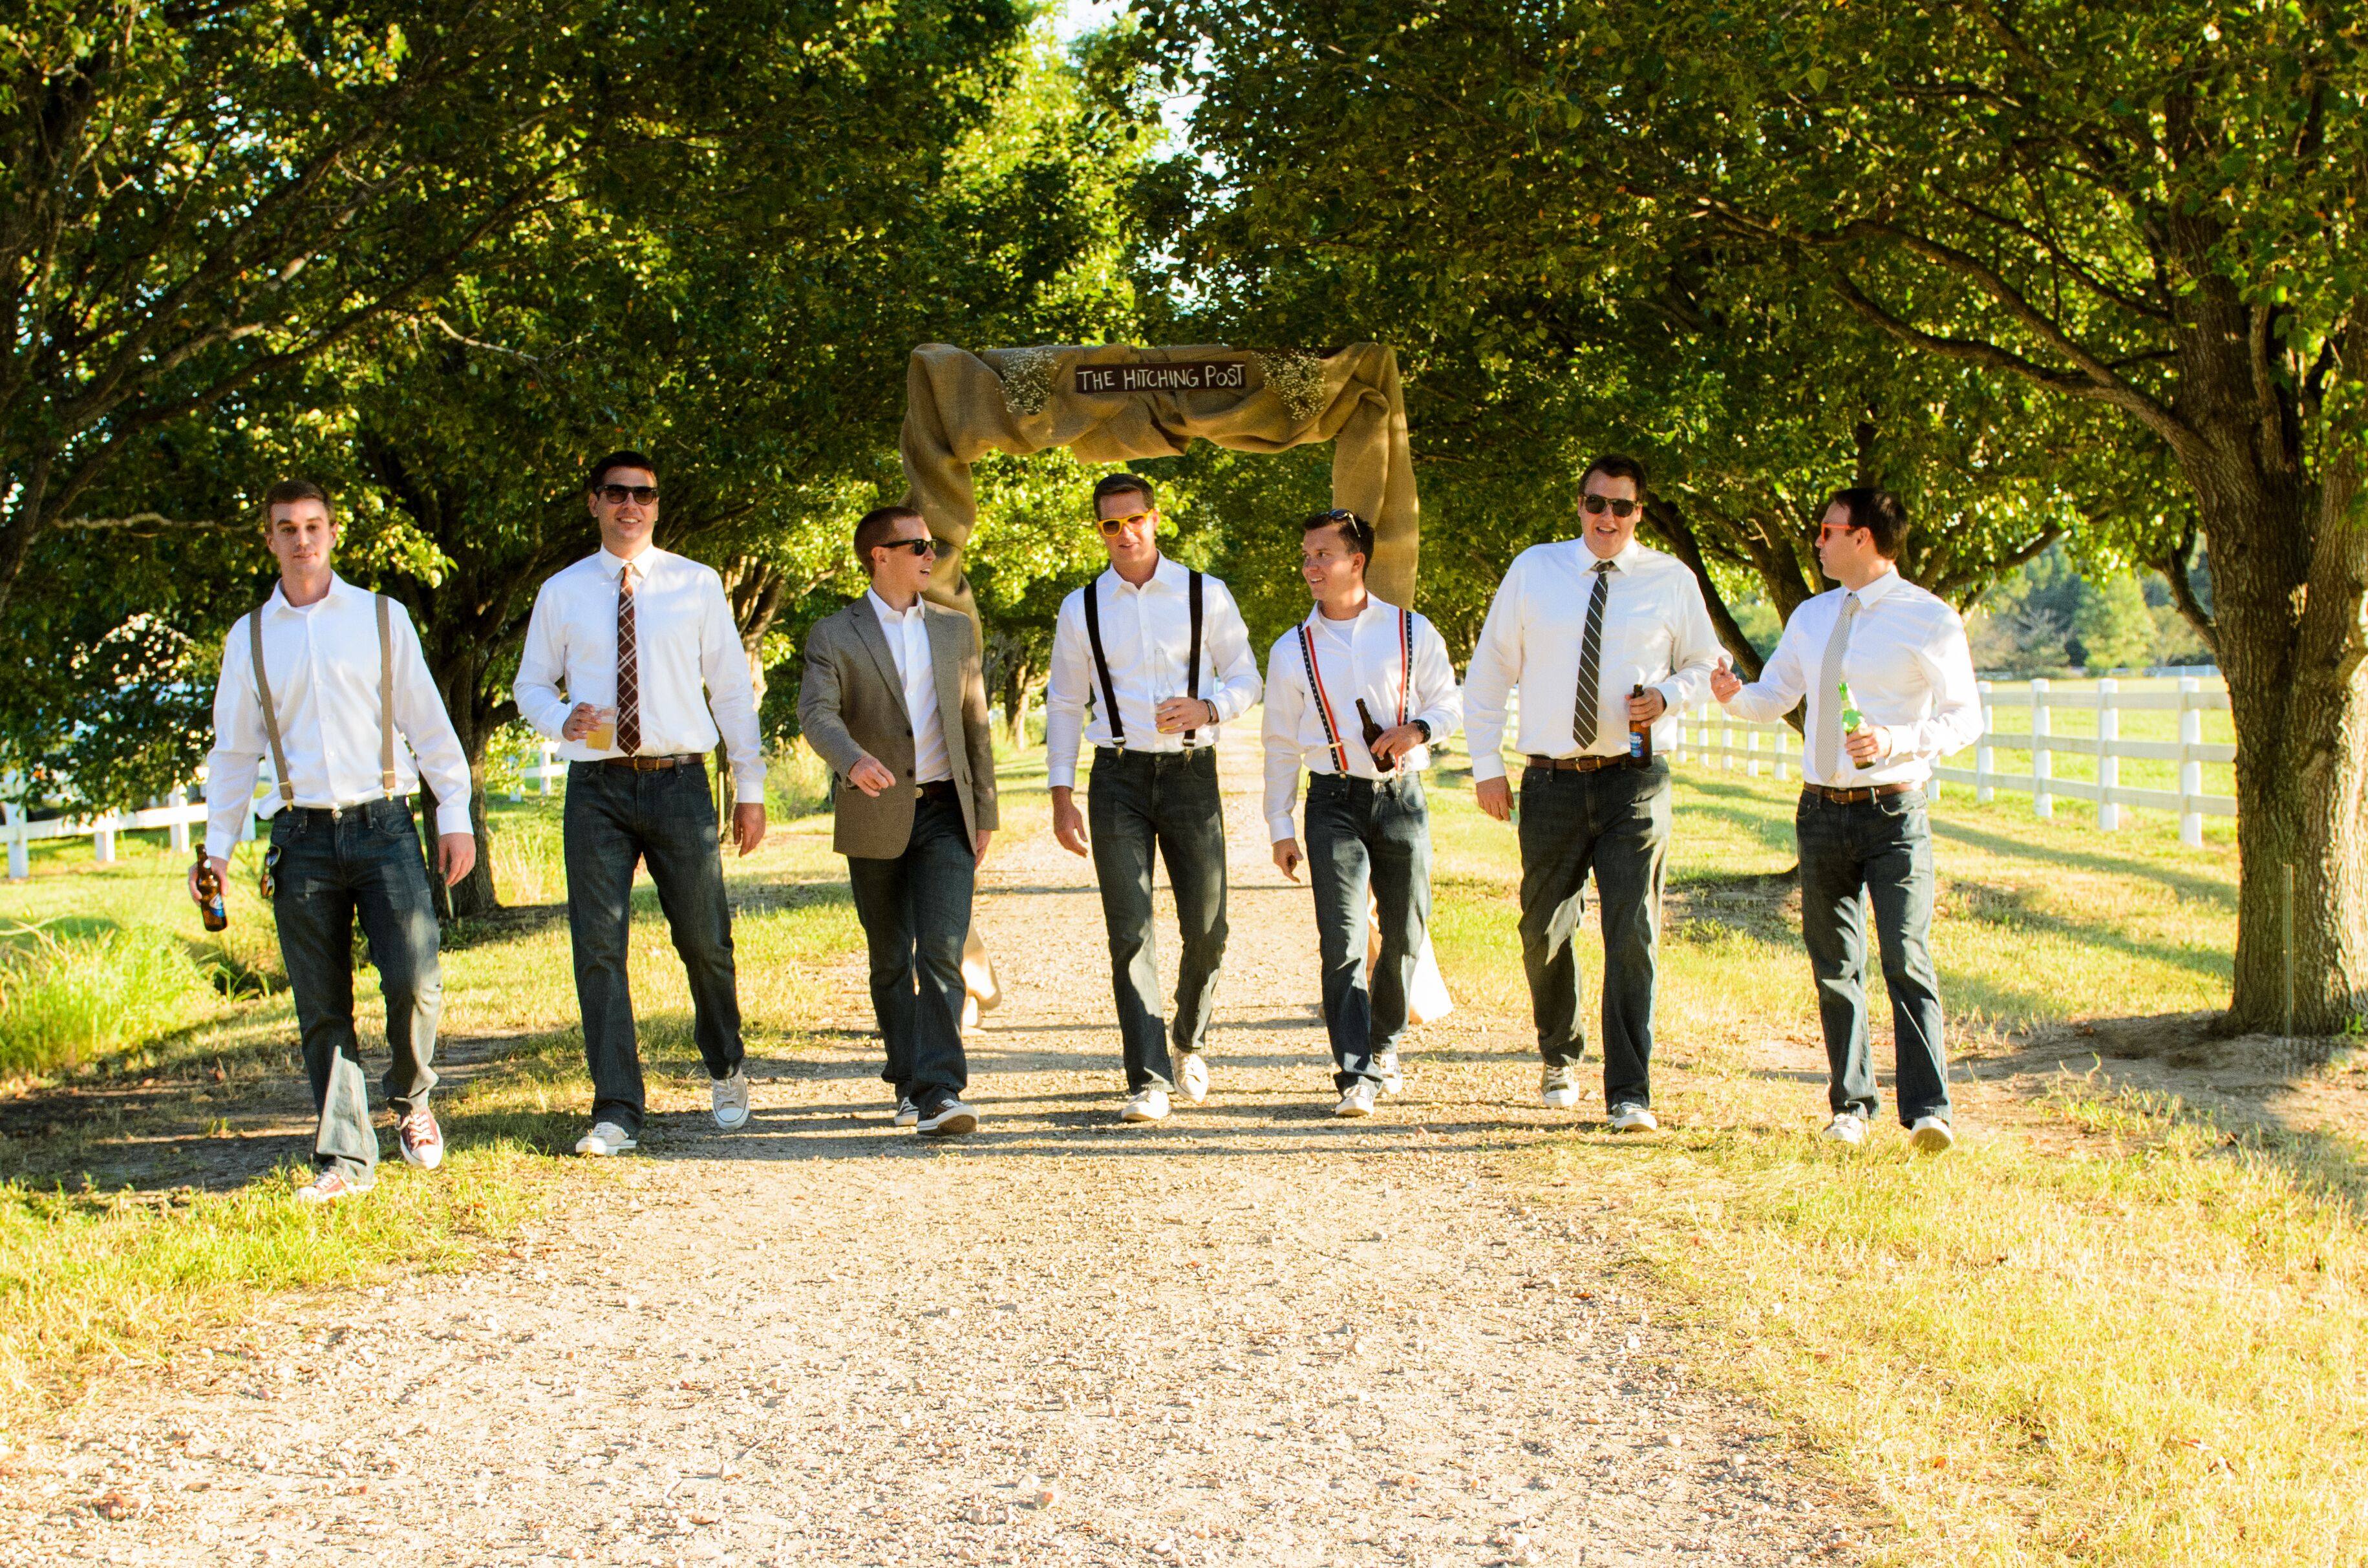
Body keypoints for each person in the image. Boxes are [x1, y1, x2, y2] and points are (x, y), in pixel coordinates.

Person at [192, 480, 477, 1203]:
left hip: (385, 824)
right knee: (322, 1005)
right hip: (300, 834)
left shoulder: (383, 618)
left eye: (313, 525)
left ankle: (412, 1100)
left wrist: (455, 813)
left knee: (414, 979)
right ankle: (345, 1157)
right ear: (270, 539)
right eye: (286, 528)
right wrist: (217, 849)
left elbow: (429, 721)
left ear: (333, 532)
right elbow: (233, 755)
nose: (301, 539)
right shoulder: (251, 636)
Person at [1710, 488, 1981, 1151]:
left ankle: (1928, 1111)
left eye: (1827, 531)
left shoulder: (1929, 617)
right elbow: (1776, 697)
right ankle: (1850, 1106)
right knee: (1835, 963)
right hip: (1822, 811)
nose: (1818, 542)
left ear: (1862, 537)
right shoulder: (1811, 615)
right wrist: (1733, 695)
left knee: (1905, 957)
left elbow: (1966, 718)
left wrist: (1895, 739)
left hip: (1895, 810)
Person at [514, 451, 768, 1157]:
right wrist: (558, 717)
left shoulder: (696, 583)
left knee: (705, 939)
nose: (632, 505)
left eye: (645, 495)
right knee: (598, 949)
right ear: (594, 502)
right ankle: (618, 1108)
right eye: (618, 493)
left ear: (657, 505)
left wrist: (749, 788)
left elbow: (730, 691)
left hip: (679, 780)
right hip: (597, 785)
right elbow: (530, 684)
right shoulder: (562, 591)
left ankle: (725, 1062)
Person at [1464, 454, 1722, 1130]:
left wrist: (1668, 695)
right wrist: (1486, 763)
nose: (1607, 518)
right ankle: (1560, 1051)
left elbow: (1704, 662)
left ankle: (1629, 1091)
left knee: (1632, 930)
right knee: (1542, 930)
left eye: (1623, 507)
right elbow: (1491, 668)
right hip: (1550, 779)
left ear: (1641, 511)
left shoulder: (1671, 580)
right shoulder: (1534, 570)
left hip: (1634, 780)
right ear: (1578, 505)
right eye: (1595, 504)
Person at [1045, 472, 1261, 1124]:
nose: (1125, 533)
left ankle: (1189, 1040)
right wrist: (1060, 791)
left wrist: (1210, 705)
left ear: (1156, 518)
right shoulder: (1081, 607)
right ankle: (1147, 1077)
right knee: (1131, 929)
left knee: (1208, 925)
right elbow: (1062, 701)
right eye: (1111, 524)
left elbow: (1248, 676)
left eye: (1134, 518)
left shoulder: (1205, 593)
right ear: (1100, 530)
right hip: (1117, 778)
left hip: (1191, 773)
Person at [797, 505, 997, 1136]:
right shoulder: (834, 633)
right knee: (890, 957)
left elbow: (976, 726)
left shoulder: (955, 629)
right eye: (915, 545)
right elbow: (817, 712)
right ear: (878, 555)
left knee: (939, 949)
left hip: (945, 812)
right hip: (875, 810)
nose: (929, 554)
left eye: (931, 544)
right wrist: (852, 760)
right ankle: (906, 1079)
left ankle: (940, 1092)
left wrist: (985, 810)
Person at [1263, 510, 1462, 1118]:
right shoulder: (1290, 649)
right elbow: (1278, 744)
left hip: (1401, 800)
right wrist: (1280, 827)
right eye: (1306, 556)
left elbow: (1449, 705)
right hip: (1332, 801)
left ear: (1358, 561)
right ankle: (1354, 1072)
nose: (1311, 567)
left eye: (1323, 554)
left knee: (1404, 931)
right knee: (1342, 939)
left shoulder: (1411, 631)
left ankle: (1385, 1046)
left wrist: (1418, 729)